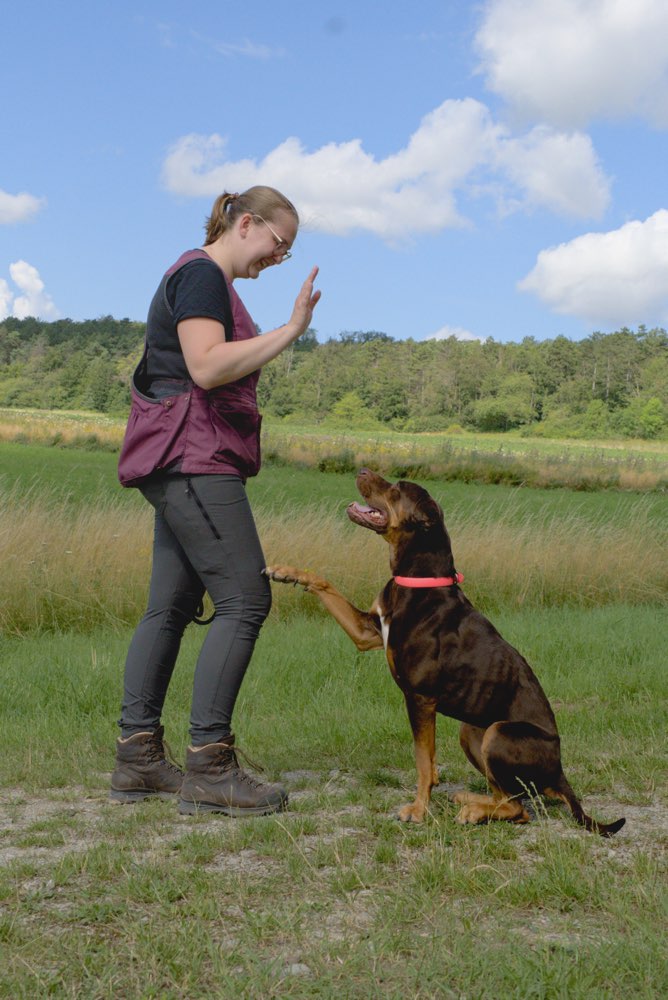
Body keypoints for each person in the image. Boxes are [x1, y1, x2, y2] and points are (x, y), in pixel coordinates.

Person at [110, 186, 320, 816]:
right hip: (192, 456)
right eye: (279, 243)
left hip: (183, 456)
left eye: (287, 251)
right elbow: (204, 366)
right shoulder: (202, 275)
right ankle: (209, 766)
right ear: (246, 223)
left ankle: (138, 759)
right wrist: (290, 330)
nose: (279, 258)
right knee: (245, 599)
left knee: (171, 605)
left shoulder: (208, 279)